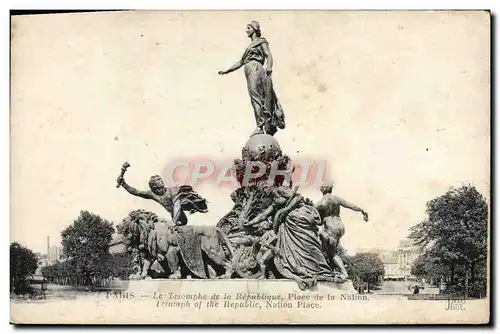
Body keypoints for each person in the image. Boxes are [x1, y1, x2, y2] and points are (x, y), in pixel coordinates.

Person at [244, 184, 336, 289]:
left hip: (299, 217)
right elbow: (263, 215)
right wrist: (250, 222)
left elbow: (298, 197)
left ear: (271, 186)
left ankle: (321, 268)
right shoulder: (274, 202)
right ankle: (304, 270)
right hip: (288, 226)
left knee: (308, 244)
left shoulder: (281, 189)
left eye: (265, 188)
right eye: (262, 189)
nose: (263, 191)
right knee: (294, 251)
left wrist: (287, 209)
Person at [218, 21, 285, 136]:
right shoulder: (249, 47)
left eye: (249, 28)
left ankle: (260, 126)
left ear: (255, 29)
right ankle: (260, 124)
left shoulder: (261, 42)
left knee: (256, 98)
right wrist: (227, 71)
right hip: (249, 71)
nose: (246, 30)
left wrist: (269, 67)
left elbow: (268, 55)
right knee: (255, 98)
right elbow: (240, 62)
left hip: (256, 69)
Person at [314, 182, 369, 280]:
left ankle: (342, 273)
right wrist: (362, 210)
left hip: (330, 227)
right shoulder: (337, 199)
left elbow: (316, 220)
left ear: (322, 190)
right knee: (328, 250)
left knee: (330, 253)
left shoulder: (320, 203)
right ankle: (332, 271)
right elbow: (351, 205)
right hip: (340, 227)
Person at [117, 172, 208, 226]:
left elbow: (177, 206)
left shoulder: (172, 191)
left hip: (178, 206)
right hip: (173, 211)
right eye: (158, 180)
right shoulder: (152, 193)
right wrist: (124, 184)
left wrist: (173, 222)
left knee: (179, 208)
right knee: (182, 222)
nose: (161, 181)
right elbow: (136, 192)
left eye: (160, 180)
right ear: (154, 187)